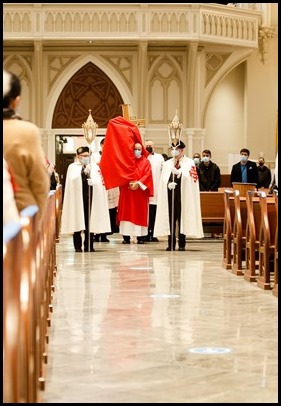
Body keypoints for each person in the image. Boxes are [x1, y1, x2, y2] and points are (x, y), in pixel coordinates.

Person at [3, 71, 49, 225]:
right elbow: (40, 183)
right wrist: (36, 224)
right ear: (16, 101)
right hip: (18, 216)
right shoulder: (26, 131)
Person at [154, 141, 204, 251]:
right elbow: (162, 180)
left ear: (181, 150)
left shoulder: (189, 163)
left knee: (182, 218)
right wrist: (168, 184)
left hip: (183, 196)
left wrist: (180, 174)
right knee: (171, 219)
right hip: (170, 195)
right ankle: (170, 243)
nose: (174, 152)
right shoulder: (167, 163)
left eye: (176, 149)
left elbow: (193, 179)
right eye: (172, 149)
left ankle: (182, 243)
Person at [60, 146, 111, 252]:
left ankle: (89, 245)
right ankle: (77, 245)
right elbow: (72, 181)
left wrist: (91, 179)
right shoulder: (72, 167)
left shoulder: (95, 167)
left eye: (87, 156)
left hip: (91, 198)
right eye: (83, 156)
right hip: (77, 198)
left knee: (90, 222)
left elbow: (99, 182)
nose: (86, 158)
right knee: (77, 221)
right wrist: (83, 173)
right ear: (78, 157)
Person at [117, 142, 154, 244]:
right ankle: (126, 236)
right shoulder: (126, 161)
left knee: (139, 212)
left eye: (139, 149)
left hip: (140, 193)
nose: (137, 151)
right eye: (135, 149)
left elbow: (148, 174)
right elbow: (121, 173)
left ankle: (140, 236)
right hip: (127, 191)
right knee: (127, 212)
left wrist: (138, 183)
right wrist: (129, 181)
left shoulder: (145, 162)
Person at [92, 137, 120, 242]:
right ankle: (96, 234)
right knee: (98, 210)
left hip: (110, 186)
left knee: (109, 211)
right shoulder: (94, 156)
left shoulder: (113, 155)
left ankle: (105, 234)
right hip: (100, 186)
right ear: (101, 145)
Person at [144, 140, 164, 242]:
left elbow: (163, 170)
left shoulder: (159, 157)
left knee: (154, 213)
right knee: (146, 214)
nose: (148, 147)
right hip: (145, 190)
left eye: (150, 145)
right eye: (147, 145)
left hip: (156, 189)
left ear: (153, 146)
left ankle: (154, 233)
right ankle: (145, 233)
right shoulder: (142, 157)